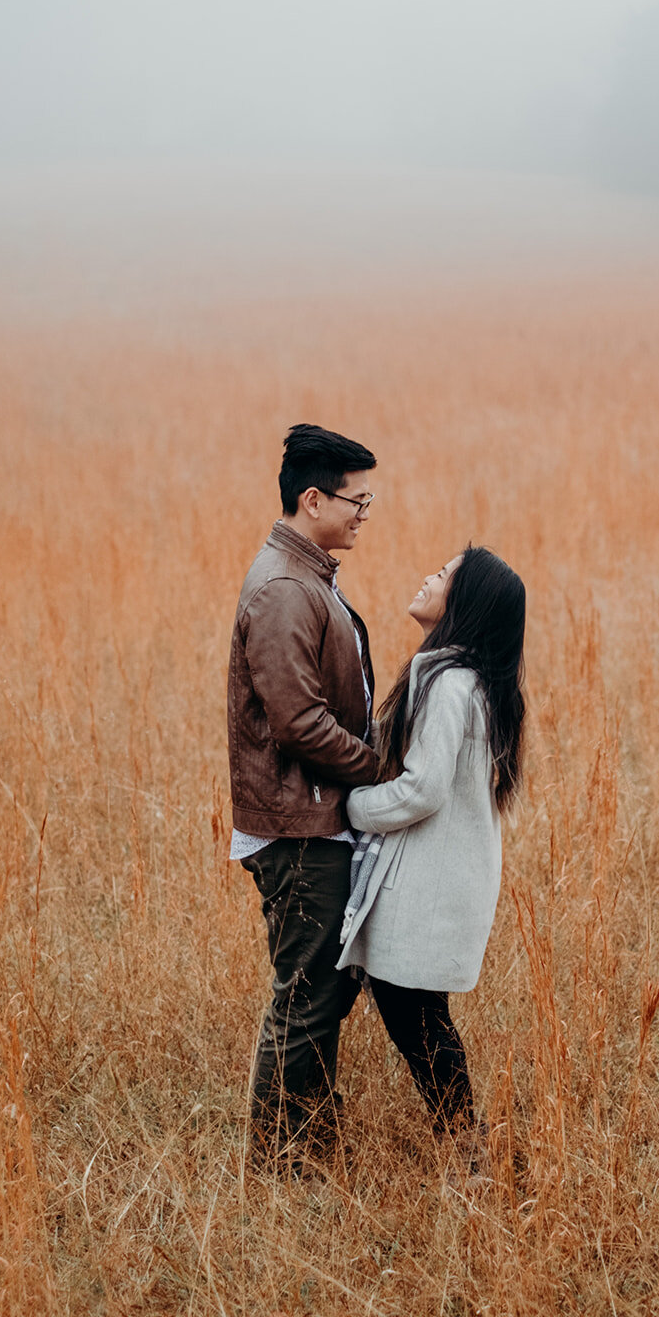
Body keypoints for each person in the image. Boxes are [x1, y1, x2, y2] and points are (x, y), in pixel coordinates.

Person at [337, 544, 526, 1156]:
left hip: (430, 881)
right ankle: (464, 1139)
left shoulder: (450, 684)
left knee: (412, 1012)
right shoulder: (465, 679)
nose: (427, 576)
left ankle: (465, 1144)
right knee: (418, 1010)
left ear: (463, 603)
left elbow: (423, 788)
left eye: (444, 576)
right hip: (442, 875)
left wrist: (351, 809)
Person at [227, 422, 379, 1162]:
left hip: (309, 817)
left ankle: (309, 1147)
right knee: (305, 998)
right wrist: (381, 770)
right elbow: (297, 723)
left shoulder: (305, 574)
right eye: (356, 500)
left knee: (319, 992)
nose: (363, 513)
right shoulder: (287, 589)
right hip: (298, 827)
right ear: (312, 498)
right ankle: (282, 1164)